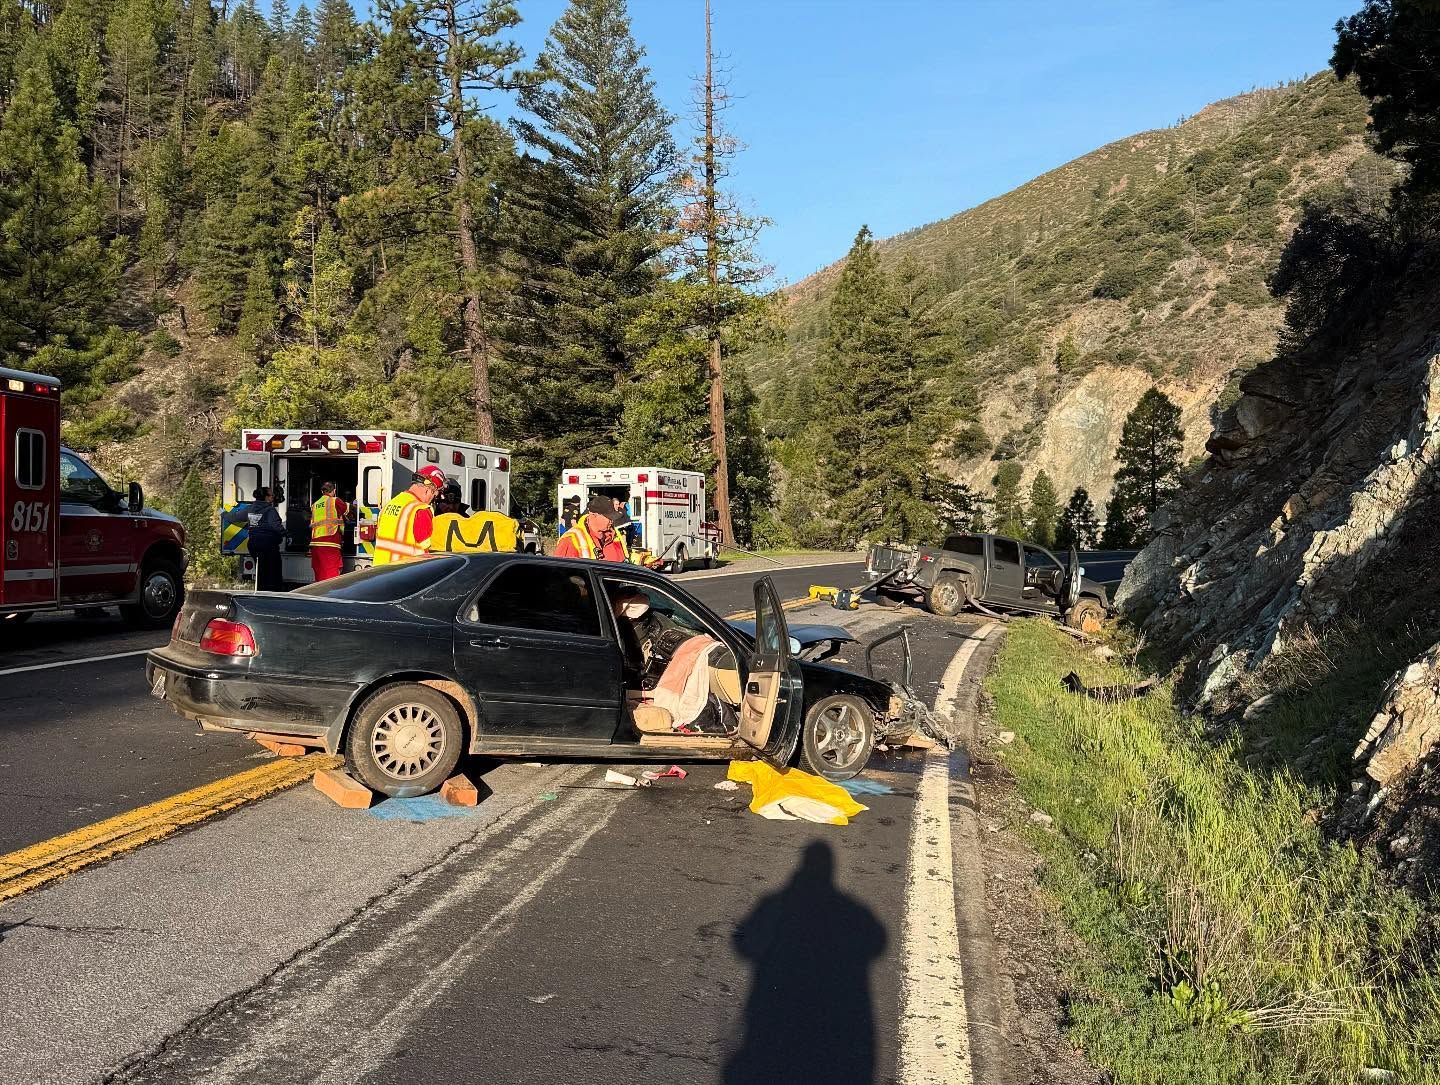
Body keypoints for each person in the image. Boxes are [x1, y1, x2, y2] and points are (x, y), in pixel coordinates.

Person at [374, 464, 445, 565]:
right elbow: (428, 551)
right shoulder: (420, 509)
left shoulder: (390, 504)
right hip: (405, 573)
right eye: (434, 495)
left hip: (379, 571)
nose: (432, 500)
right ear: (428, 490)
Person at [226, 487, 285, 590]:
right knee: (273, 572)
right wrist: (288, 534)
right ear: (266, 497)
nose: (273, 497)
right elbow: (276, 526)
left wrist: (222, 512)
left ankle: (261, 592)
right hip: (268, 545)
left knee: (261, 570)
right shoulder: (270, 510)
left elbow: (232, 518)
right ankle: (274, 593)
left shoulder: (250, 508)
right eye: (272, 495)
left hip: (254, 545)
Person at [554, 494, 627, 561]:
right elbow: (560, 570)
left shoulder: (613, 535)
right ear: (593, 514)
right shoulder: (570, 540)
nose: (612, 521)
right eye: (609, 518)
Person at [308, 480, 351, 583]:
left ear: (322, 491)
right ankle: (329, 597)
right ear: (334, 491)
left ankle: (319, 597)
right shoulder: (334, 501)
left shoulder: (314, 505)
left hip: (315, 544)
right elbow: (348, 511)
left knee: (320, 576)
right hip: (330, 543)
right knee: (331, 577)